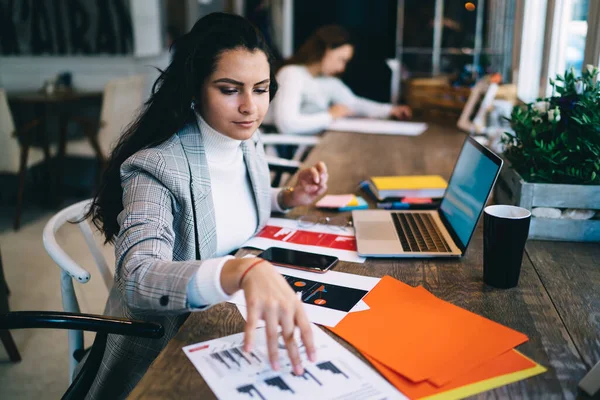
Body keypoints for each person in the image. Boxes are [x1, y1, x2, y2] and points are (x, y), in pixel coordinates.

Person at [84, 12, 327, 399]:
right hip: (164, 354)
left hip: (227, 323)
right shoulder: (156, 166)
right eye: (230, 90)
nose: (250, 107)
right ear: (196, 89)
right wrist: (240, 271)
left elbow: (221, 204)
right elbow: (137, 277)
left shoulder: (244, 139)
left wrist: (285, 198)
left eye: (261, 89)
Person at [266, 25, 412, 135]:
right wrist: (330, 115)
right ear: (326, 49)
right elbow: (287, 124)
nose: (342, 68)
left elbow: (353, 103)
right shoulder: (291, 74)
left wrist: (391, 110)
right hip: (285, 148)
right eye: (341, 60)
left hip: (306, 145)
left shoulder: (327, 81)